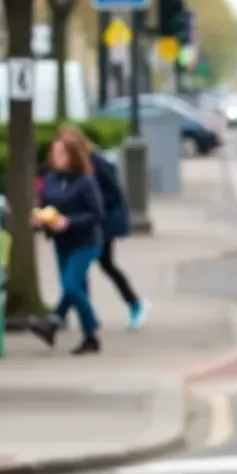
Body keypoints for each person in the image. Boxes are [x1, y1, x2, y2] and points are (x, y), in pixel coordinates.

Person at [58, 125, 149, 330]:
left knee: (100, 263)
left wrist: (93, 205)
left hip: (105, 222)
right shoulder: (75, 166)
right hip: (93, 221)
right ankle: (83, 315)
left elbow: (114, 192)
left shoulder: (96, 162)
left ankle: (134, 303)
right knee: (94, 266)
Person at [29, 133, 105, 355]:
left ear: (73, 155)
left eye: (61, 152)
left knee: (71, 286)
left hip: (85, 242)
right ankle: (90, 339)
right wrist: (39, 220)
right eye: (53, 152)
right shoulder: (52, 179)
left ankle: (90, 324)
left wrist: (69, 222)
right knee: (76, 290)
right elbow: (45, 205)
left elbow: (96, 214)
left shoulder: (85, 180)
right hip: (62, 243)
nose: (55, 157)